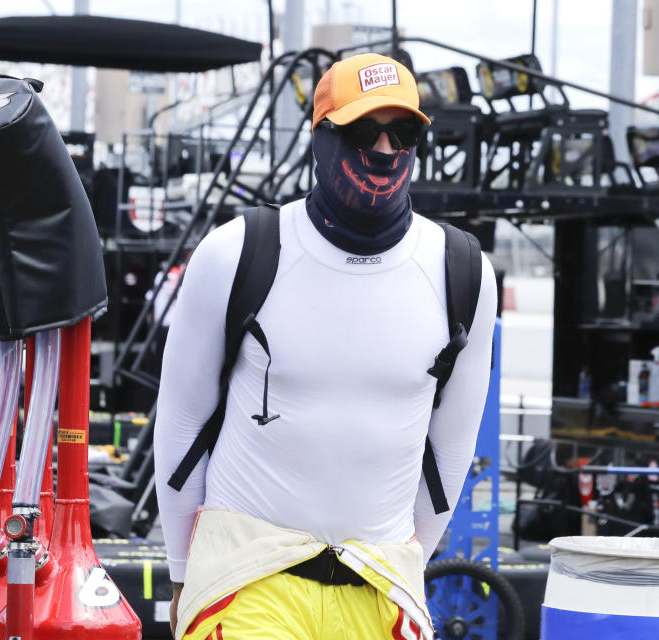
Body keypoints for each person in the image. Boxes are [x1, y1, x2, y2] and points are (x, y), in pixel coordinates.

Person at [154, 53, 497, 640]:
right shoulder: (236, 252)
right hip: (248, 578)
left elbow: (451, 448)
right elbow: (182, 420)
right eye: (365, 131)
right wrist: (184, 571)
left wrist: (399, 552)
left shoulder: (461, 271)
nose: (386, 150)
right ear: (321, 138)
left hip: (381, 583)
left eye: (405, 131)